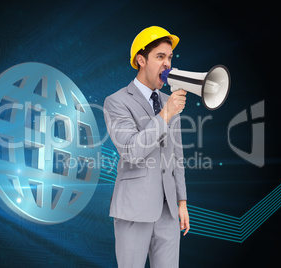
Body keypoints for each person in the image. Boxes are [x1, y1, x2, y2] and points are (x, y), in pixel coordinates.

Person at [103, 26, 190, 268]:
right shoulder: (116, 101)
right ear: (141, 60)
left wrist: (182, 202)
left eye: (170, 57)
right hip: (133, 212)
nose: (167, 64)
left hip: (169, 214)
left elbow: (177, 156)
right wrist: (165, 114)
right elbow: (130, 150)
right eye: (160, 57)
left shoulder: (167, 102)